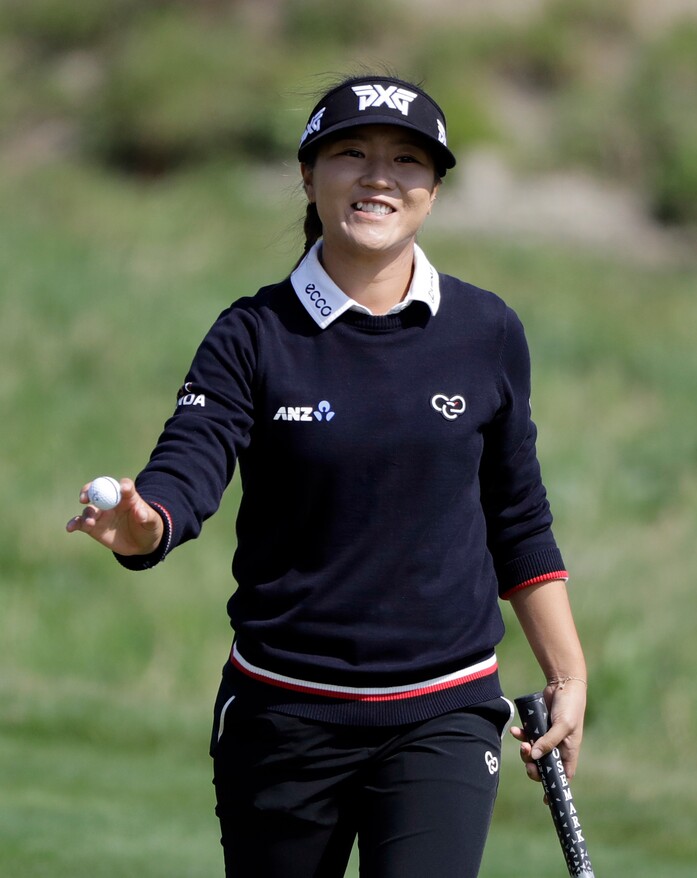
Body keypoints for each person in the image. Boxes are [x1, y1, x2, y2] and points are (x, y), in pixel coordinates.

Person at [67, 74, 588, 878]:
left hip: (443, 711)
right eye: (352, 152)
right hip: (283, 716)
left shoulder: (486, 330)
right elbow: (190, 457)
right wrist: (147, 524)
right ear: (310, 177)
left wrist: (566, 672)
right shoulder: (253, 334)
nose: (380, 176)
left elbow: (515, 514)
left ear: (434, 189)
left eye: (407, 159)